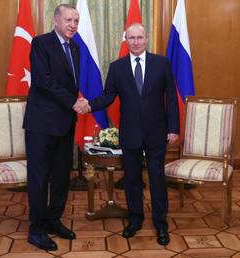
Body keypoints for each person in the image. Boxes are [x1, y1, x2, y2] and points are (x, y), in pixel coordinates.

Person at [74, 23, 179, 246]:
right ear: (126, 39)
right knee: (132, 180)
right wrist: (89, 105)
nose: (136, 41)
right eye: (131, 38)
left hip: (156, 132)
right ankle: (135, 220)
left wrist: (173, 128)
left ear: (146, 38)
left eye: (140, 37)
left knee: (157, 179)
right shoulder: (117, 67)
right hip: (130, 133)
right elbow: (108, 96)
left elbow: (170, 98)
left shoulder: (162, 64)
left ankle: (161, 223)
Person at [23, 4, 81, 251]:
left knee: (60, 176)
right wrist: (74, 102)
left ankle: (53, 220)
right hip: (42, 125)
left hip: (65, 124)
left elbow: (70, 84)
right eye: (68, 20)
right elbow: (43, 81)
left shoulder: (76, 48)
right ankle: (36, 230)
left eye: (76, 21)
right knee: (39, 178)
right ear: (56, 20)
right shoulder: (41, 43)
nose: (73, 25)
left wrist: (76, 105)